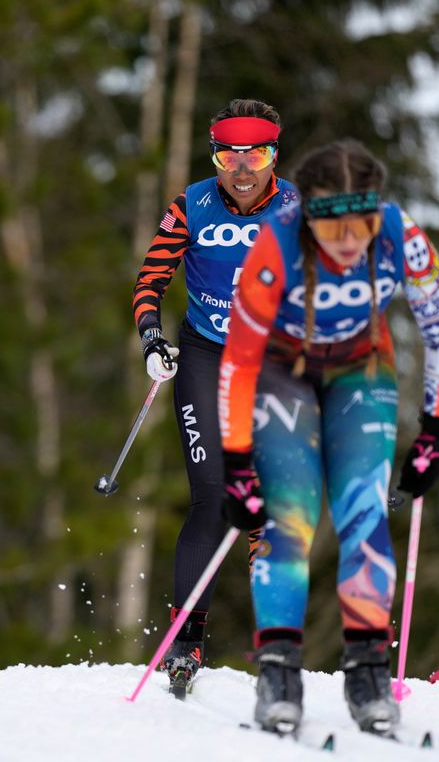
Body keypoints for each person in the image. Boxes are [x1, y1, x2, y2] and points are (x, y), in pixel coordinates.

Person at [217, 139, 439, 733]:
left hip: (361, 370)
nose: (350, 240)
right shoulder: (275, 243)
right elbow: (238, 362)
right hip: (282, 373)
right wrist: (236, 461)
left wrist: (435, 430)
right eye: (332, 227)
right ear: (308, 217)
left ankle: (368, 670)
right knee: (287, 518)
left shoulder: (401, 236)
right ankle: (278, 670)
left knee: (364, 513)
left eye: (362, 224)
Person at [132, 98, 296, 697]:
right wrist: (152, 338)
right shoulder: (192, 205)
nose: (243, 170)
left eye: (257, 155)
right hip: (205, 356)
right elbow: (151, 280)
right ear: (215, 157)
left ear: (274, 156)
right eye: (230, 157)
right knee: (213, 497)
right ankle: (186, 642)